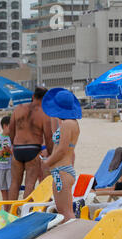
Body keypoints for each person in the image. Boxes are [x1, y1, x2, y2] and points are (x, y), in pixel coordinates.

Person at [41, 88, 81, 222]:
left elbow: (62, 149)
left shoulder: (67, 125)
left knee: (66, 213)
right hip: (63, 171)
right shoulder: (71, 123)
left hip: (61, 171)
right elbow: (56, 135)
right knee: (65, 211)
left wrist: (48, 161)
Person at [8, 87, 53, 202]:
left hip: (18, 148)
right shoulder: (44, 114)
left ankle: (8, 212)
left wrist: (13, 144)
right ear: (45, 99)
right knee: (29, 184)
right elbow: (48, 137)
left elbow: (11, 129)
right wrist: (51, 154)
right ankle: (24, 213)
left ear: (33, 96)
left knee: (14, 184)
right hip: (33, 149)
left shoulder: (18, 109)